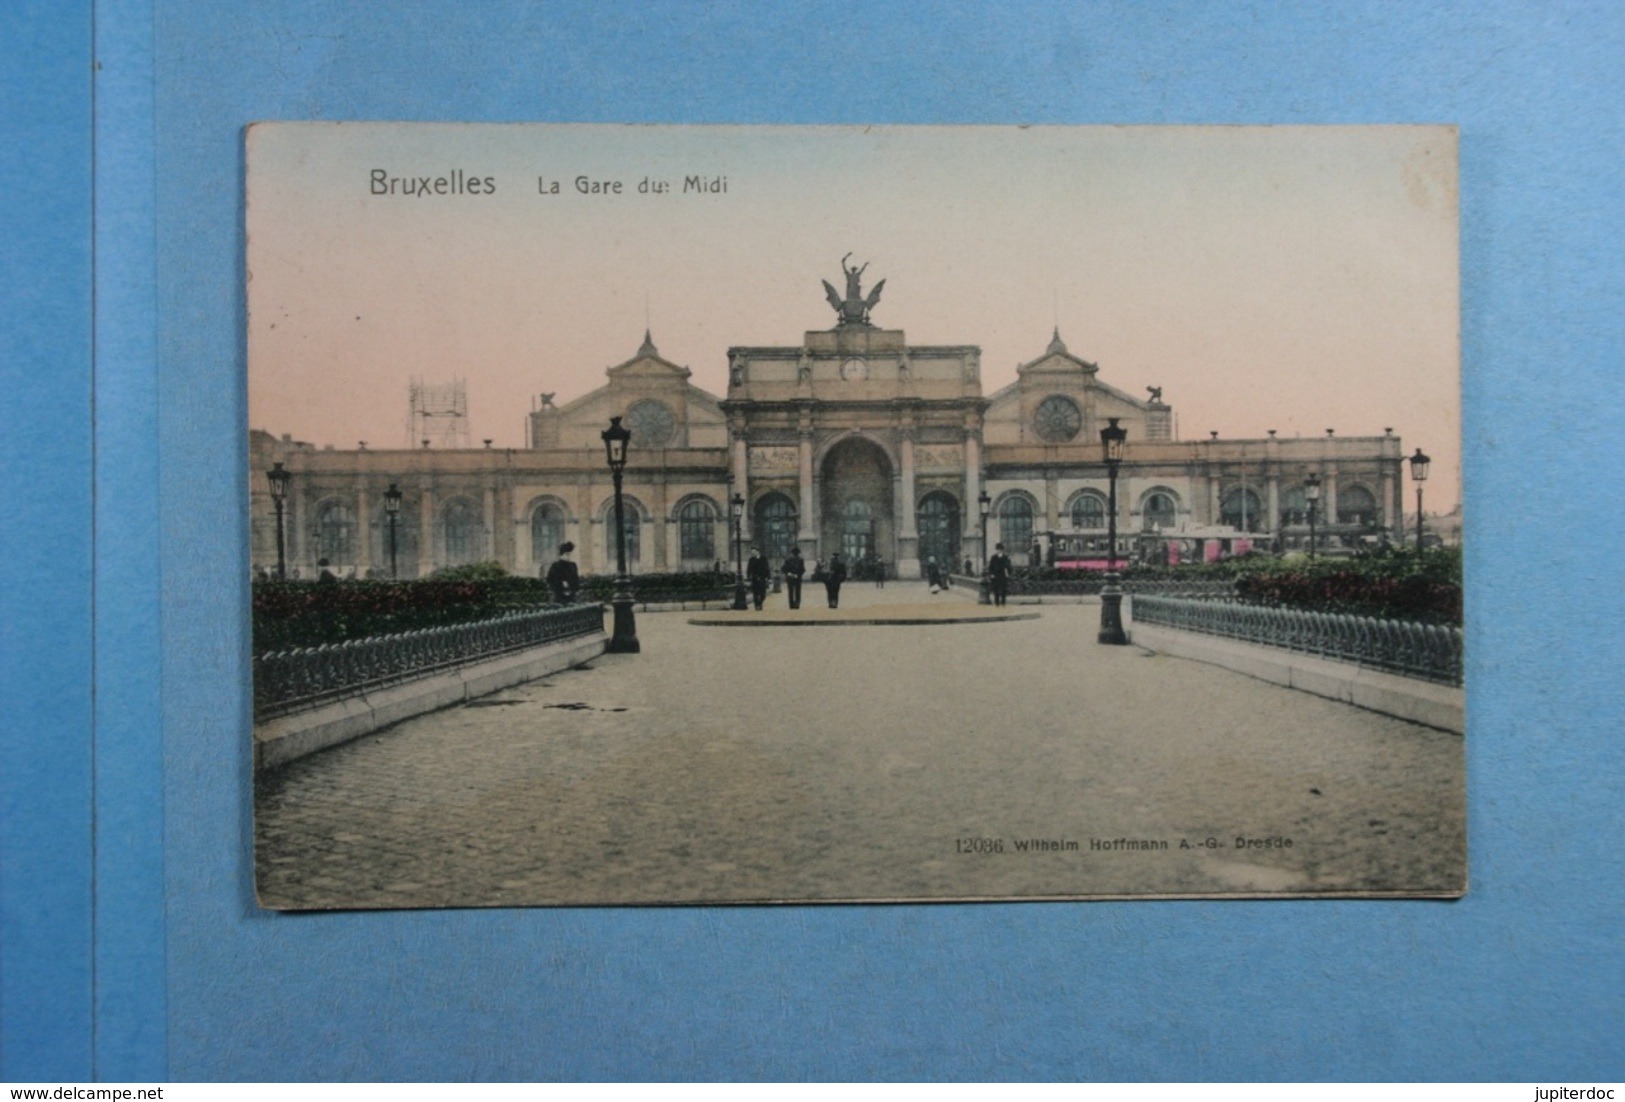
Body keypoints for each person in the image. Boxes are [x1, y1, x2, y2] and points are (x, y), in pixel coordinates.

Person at [746, 546, 771, 610]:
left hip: (762, 578)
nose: (753, 553)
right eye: (752, 552)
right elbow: (749, 570)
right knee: (755, 593)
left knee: (763, 594)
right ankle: (757, 606)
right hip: (754, 579)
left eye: (754, 552)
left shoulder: (764, 559)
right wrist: (748, 579)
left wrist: (769, 578)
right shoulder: (751, 560)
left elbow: (767, 568)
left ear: (758, 552)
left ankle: (760, 603)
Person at [988, 541, 1013, 607]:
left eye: (999, 549)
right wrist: (991, 574)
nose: (998, 550)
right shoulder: (993, 557)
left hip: (1003, 575)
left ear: (1002, 550)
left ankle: (1003, 602)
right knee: (996, 589)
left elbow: (1009, 566)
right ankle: (997, 603)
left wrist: (1009, 573)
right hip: (996, 575)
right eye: (997, 549)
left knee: (1003, 589)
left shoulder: (1005, 557)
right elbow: (991, 566)